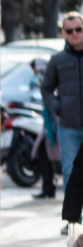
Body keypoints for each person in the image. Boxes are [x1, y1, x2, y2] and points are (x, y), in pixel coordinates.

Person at [41, 12, 83, 188]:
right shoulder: (57, 60)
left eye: (79, 29)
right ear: (64, 33)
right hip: (68, 127)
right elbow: (46, 88)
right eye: (70, 30)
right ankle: (74, 216)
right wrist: (58, 107)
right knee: (70, 171)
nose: (75, 34)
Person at [30, 58, 58, 200]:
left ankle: (49, 188)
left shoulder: (52, 81)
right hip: (49, 127)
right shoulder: (44, 83)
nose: (37, 75)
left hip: (56, 126)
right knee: (43, 155)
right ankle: (48, 188)